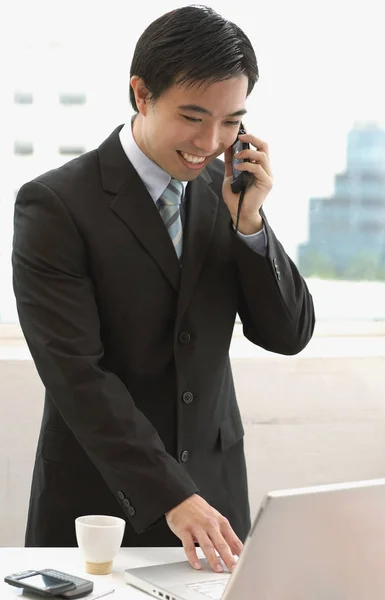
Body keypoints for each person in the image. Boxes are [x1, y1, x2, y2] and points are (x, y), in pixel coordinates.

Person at [12, 5, 315, 574]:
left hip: (216, 505)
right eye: (193, 116)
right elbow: (75, 372)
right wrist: (171, 494)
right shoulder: (54, 205)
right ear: (141, 94)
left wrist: (250, 223)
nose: (210, 141)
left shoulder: (227, 194)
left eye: (231, 122)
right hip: (102, 502)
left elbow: (288, 335)